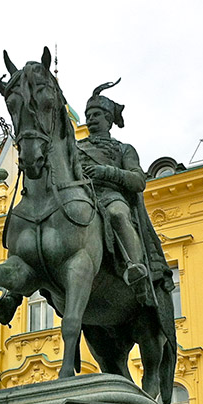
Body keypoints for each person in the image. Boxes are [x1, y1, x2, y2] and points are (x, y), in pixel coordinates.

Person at [77, 80, 173, 299]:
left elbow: (138, 180)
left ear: (109, 119)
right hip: (81, 196)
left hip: (110, 196)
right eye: (88, 115)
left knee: (118, 215)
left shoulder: (123, 149)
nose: (90, 119)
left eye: (96, 115)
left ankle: (135, 268)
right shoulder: (76, 148)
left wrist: (106, 172)